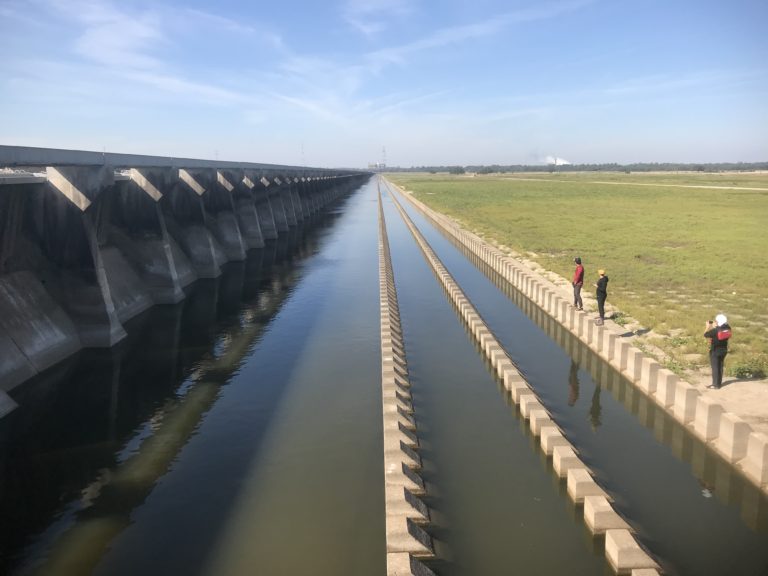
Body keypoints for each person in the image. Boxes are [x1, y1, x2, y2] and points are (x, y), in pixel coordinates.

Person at [704, 313, 731, 389]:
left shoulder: (715, 331)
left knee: (715, 367)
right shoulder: (728, 328)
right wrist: (716, 325)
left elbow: (705, 335)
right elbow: (721, 328)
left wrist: (707, 327)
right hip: (724, 350)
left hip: (715, 350)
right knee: (720, 366)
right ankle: (719, 383)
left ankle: (715, 385)